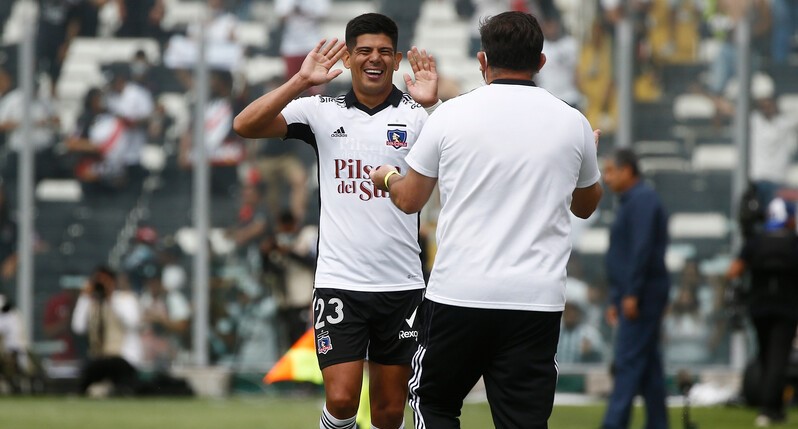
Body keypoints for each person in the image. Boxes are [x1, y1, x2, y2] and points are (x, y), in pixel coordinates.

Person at [369, 11, 602, 428]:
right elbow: (585, 206)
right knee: (523, 421)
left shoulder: (451, 115)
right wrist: (589, 156)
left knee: (434, 404)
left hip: (461, 292)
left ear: (482, 61)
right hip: (535, 299)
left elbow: (408, 200)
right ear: (541, 62)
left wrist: (385, 175)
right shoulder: (574, 123)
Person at [234, 12, 440, 429]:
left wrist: (434, 107)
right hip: (339, 283)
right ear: (347, 58)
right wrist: (299, 82)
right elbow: (245, 125)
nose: (374, 59)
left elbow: (457, 157)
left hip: (401, 286)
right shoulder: (319, 110)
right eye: (364, 51)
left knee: (387, 412)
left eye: (384, 51)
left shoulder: (419, 117)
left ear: (397, 59)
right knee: (343, 399)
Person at [600, 149, 669, 429]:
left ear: (627, 170)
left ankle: (613, 424)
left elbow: (641, 250)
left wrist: (631, 293)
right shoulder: (633, 201)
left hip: (641, 294)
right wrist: (619, 296)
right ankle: (658, 423)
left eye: (610, 171)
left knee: (627, 362)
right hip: (637, 292)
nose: (606, 178)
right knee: (649, 366)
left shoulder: (642, 200)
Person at [727, 198, 798, 428]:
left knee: (766, 354)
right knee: (779, 357)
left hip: (758, 307)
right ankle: (769, 407)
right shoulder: (793, 242)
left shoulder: (756, 242)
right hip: (786, 308)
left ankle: (774, 407)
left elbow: (734, 271)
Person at [71, 266, 143, 395]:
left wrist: (111, 296)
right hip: (100, 357)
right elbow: (78, 327)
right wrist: (84, 298)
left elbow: (132, 322)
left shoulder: (124, 299)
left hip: (123, 358)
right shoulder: (91, 303)